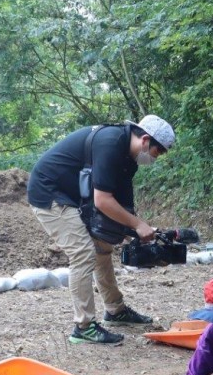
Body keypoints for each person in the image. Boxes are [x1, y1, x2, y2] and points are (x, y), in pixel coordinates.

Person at [27, 115, 175, 344]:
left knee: (102, 247)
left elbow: (122, 206)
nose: (157, 158)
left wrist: (140, 230)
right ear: (146, 140)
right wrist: (138, 225)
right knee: (83, 253)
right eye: (159, 151)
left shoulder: (129, 159)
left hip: (74, 197)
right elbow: (103, 201)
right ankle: (83, 327)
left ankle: (116, 311)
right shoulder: (110, 144)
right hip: (49, 194)